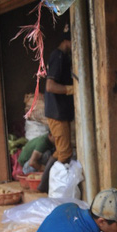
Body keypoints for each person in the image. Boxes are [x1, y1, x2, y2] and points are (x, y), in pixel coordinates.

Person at [43, 22, 74, 166]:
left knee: (61, 150)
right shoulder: (58, 56)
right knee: (65, 153)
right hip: (56, 112)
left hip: (60, 111)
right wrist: (71, 89)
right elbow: (50, 86)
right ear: (68, 40)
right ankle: (53, 185)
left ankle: (46, 184)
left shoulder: (63, 58)